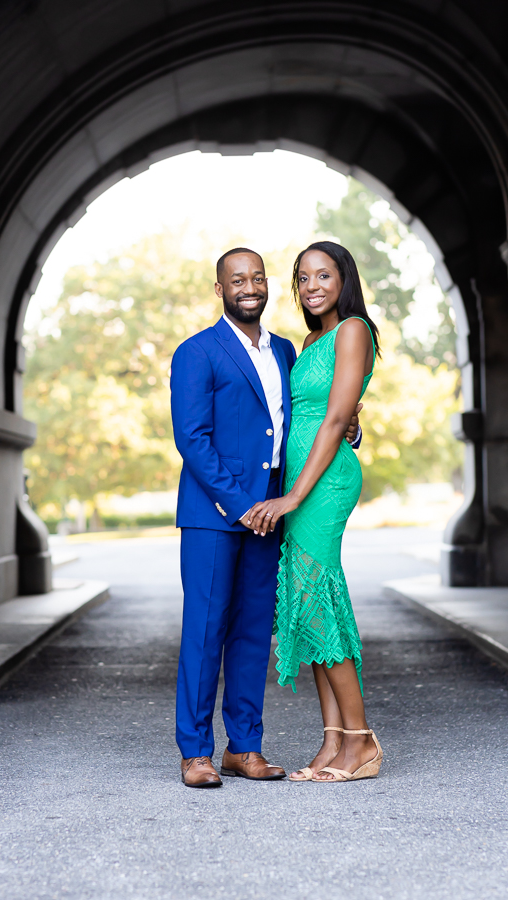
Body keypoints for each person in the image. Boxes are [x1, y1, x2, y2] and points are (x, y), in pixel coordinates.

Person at [170, 247, 361, 788]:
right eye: (237, 279)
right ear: (220, 289)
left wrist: (351, 430)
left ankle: (244, 747)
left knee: (254, 633)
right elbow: (193, 440)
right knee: (205, 632)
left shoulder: (285, 350)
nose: (249, 286)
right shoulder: (196, 352)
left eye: (258, 277)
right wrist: (241, 505)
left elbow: (317, 413)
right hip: (216, 516)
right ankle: (196, 752)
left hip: (271, 514)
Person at [246, 241, 383, 783]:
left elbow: (334, 421)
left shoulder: (353, 329)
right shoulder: (312, 338)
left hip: (322, 484)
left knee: (315, 601)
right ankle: (333, 743)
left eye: (323, 275)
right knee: (314, 606)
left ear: (343, 278)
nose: (312, 286)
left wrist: (294, 496)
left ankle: (362, 741)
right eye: (303, 278)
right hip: (304, 477)